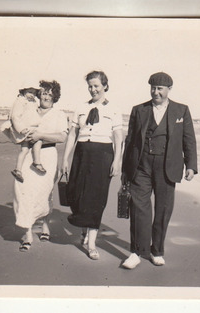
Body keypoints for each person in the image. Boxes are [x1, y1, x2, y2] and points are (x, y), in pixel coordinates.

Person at [121, 72, 197, 269]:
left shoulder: (182, 110)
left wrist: (191, 166)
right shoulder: (139, 110)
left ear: (169, 89)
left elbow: (188, 140)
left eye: (160, 89)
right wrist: (125, 170)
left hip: (168, 167)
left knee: (163, 210)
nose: (156, 92)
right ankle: (137, 252)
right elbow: (130, 142)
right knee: (139, 209)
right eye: (153, 88)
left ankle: (157, 251)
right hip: (141, 166)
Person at [62, 70, 123, 260]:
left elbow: (119, 137)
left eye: (96, 85)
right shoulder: (80, 107)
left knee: (97, 199)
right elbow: (72, 134)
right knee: (77, 194)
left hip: (103, 154)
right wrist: (65, 158)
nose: (93, 89)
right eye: (90, 86)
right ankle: (84, 228)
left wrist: (117, 160)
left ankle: (92, 243)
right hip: (81, 153)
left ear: (104, 85)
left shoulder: (113, 108)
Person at [13, 80, 68, 252]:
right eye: (43, 92)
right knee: (23, 191)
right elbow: (17, 124)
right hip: (29, 154)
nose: (45, 96)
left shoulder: (59, 114)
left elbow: (62, 137)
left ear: (55, 96)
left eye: (49, 93)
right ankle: (28, 234)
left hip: (48, 156)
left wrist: (40, 135)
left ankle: (45, 225)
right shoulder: (30, 110)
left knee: (45, 193)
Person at [2, 87, 47, 183]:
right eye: (29, 92)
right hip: (25, 128)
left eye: (34, 93)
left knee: (25, 149)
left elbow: (35, 112)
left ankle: (18, 169)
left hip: (28, 127)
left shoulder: (32, 101)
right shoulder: (20, 101)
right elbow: (15, 116)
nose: (32, 95)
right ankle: (37, 162)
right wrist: (21, 129)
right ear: (23, 92)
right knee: (38, 140)